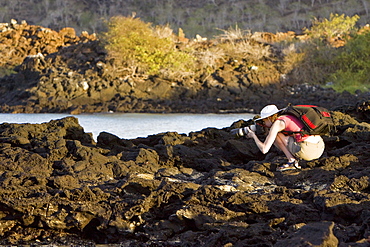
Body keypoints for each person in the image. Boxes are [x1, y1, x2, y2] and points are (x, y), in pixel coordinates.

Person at [246, 105, 325, 171]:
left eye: (263, 121)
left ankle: (292, 161)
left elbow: (264, 150)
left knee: (276, 135)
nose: (264, 123)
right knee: (283, 134)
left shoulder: (278, 123)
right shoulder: (288, 117)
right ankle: (294, 159)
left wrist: (253, 136)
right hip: (320, 148)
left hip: (308, 153)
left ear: (269, 118)